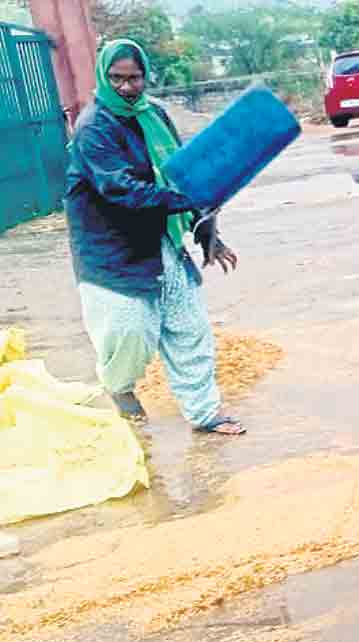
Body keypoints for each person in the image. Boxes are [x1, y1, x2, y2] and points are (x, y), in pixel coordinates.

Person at [65, 39, 244, 434]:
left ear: (146, 76)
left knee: (189, 327)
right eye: (118, 79)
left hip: (161, 240)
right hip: (112, 249)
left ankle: (205, 413)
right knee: (128, 331)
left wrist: (208, 233)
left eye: (135, 78)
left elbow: (184, 175)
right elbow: (121, 189)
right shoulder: (93, 127)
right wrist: (185, 198)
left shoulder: (155, 116)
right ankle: (120, 389)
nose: (128, 88)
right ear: (103, 77)